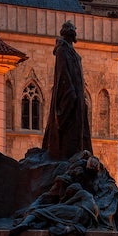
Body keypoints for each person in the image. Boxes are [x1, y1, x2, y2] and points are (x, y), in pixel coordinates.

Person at [42, 21, 92, 161]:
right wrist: (70, 94)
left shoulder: (70, 50)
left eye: (74, 32)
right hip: (70, 95)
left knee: (78, 132)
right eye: (72, 32)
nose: (74, 34)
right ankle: (67, 158)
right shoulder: (62, 50)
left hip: (77, 96)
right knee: (69, 132)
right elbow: (63, 73)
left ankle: (76, 155)